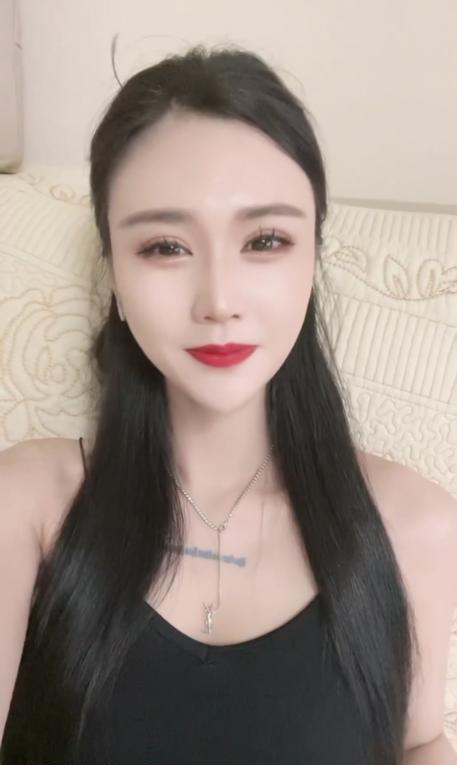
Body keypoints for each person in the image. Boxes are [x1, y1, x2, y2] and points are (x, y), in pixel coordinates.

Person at [1, 43, 420, 765]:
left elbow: (420, 741)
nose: (218, 301)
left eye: (265, 240)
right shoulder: (29, 502)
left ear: (311, 260)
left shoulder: (415, 525)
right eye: (165, 247)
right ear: (114, 278)